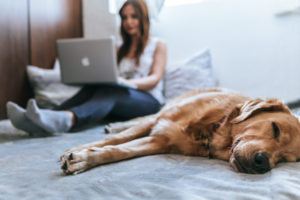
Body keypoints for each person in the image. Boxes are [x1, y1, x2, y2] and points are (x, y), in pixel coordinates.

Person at [6, 0, 167, 137]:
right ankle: (43, 118)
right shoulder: (119, 48)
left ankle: (67, 119)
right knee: (97, 87)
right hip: (120, 97)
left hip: (148, 101)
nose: (128, 22)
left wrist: (126, 82)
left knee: (112, 91)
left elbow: (155, 79)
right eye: (124, 17)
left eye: (134, 16)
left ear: (143, 18)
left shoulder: (158, 44)